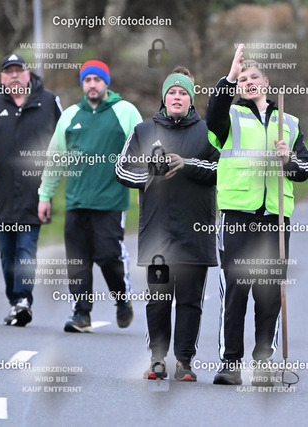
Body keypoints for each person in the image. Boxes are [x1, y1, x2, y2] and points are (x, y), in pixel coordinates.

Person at [206, 45, 308, 386]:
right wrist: (229, 76)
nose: (248, 82)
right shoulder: (229, 117)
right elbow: (212, 113)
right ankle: (230, 362)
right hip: (238, 214)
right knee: (237, 288)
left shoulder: (289, 123)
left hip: (275, 218)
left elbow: (305, 169)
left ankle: (263, 360)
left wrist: (288, 160)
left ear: (266, 82)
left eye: (254, 77)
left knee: (269, 292)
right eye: (243, 79)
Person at [115, 66, 219, 381]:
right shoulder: (143, 131)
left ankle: (184, 361)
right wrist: (151, 172)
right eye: (172, 92)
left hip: (195, 231)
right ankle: (157, 359)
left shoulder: (208, 132)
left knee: (190, 301)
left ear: (191, 99)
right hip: (157, 233)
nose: (177, 97)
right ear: (164, 98)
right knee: (158, 299)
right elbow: (121, 170)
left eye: (183, 93)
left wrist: (185, 164)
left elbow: (221, 168)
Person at [38, 60, 142, 332]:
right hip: (76, 201)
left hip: (111, 201)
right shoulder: (71, 115)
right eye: (87, 80)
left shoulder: (125, 111)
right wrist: (45, 195)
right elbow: (55, 158)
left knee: (108, 255)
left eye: (97, 79)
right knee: (77, 260)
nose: (92, 85)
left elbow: (142, 152)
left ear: (106, 83)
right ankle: (81, 314)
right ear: (82, 84)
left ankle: (122, 299)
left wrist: (145, 188)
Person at [0, 53, 63, 326]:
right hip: (1, 193)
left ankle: (23, 301)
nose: (15, 75)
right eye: (9, 72)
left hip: (36, 193)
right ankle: (15, 301)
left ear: (28, 74)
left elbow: (67, 137)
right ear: (2, 77)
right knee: (8, 254)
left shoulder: (48, 101)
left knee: (26, 250)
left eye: (19, 70)